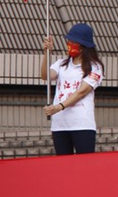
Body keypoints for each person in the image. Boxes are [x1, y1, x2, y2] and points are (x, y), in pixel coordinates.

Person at [40, 23, 105, 155]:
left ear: (83, 46)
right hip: (60, 125)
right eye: (69, 41)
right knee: (63, 167)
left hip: (82, 124)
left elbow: (82, 91)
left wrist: (59, 107)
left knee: (85, 167)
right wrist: (46, 53)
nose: (70, 44)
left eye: (74, 42)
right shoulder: (61, 64)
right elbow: (45, 75)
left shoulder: (95, 66)